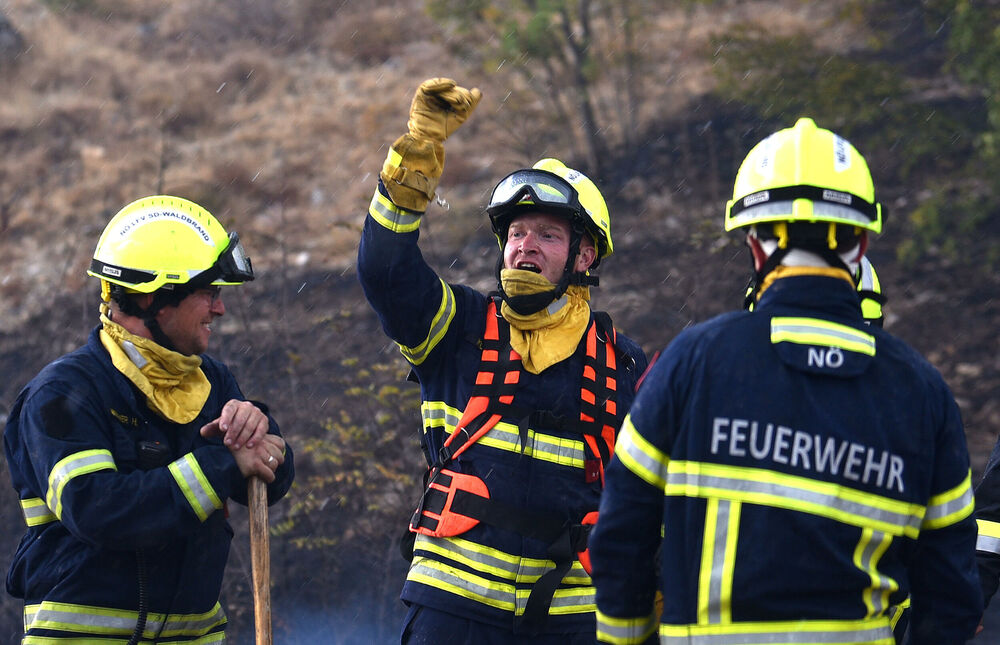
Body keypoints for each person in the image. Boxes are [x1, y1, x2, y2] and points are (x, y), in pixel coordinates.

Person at [588, 117, 981, 645]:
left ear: (754, 245)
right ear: (861, 245)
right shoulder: (922, 393)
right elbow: (951, 593)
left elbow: (620, 535)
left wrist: (625, 639)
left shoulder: (694, 362)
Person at [357, 78, 648, 644]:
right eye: (515, 232)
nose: (525, 246)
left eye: (546, 234)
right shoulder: (457, 325)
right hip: (451, 609)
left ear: (585, 255)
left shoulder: (624, 365)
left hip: (569, 620)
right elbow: (385, 270)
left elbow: (647, 500)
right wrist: (419, 149)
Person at [4, 195, 294, 643]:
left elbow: (267, 481)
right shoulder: (62, 393)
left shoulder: (211, 381)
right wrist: (222, 463)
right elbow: (98, 510)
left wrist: (261, 435)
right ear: (152, 299)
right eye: (208, 293)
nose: (219, 309)